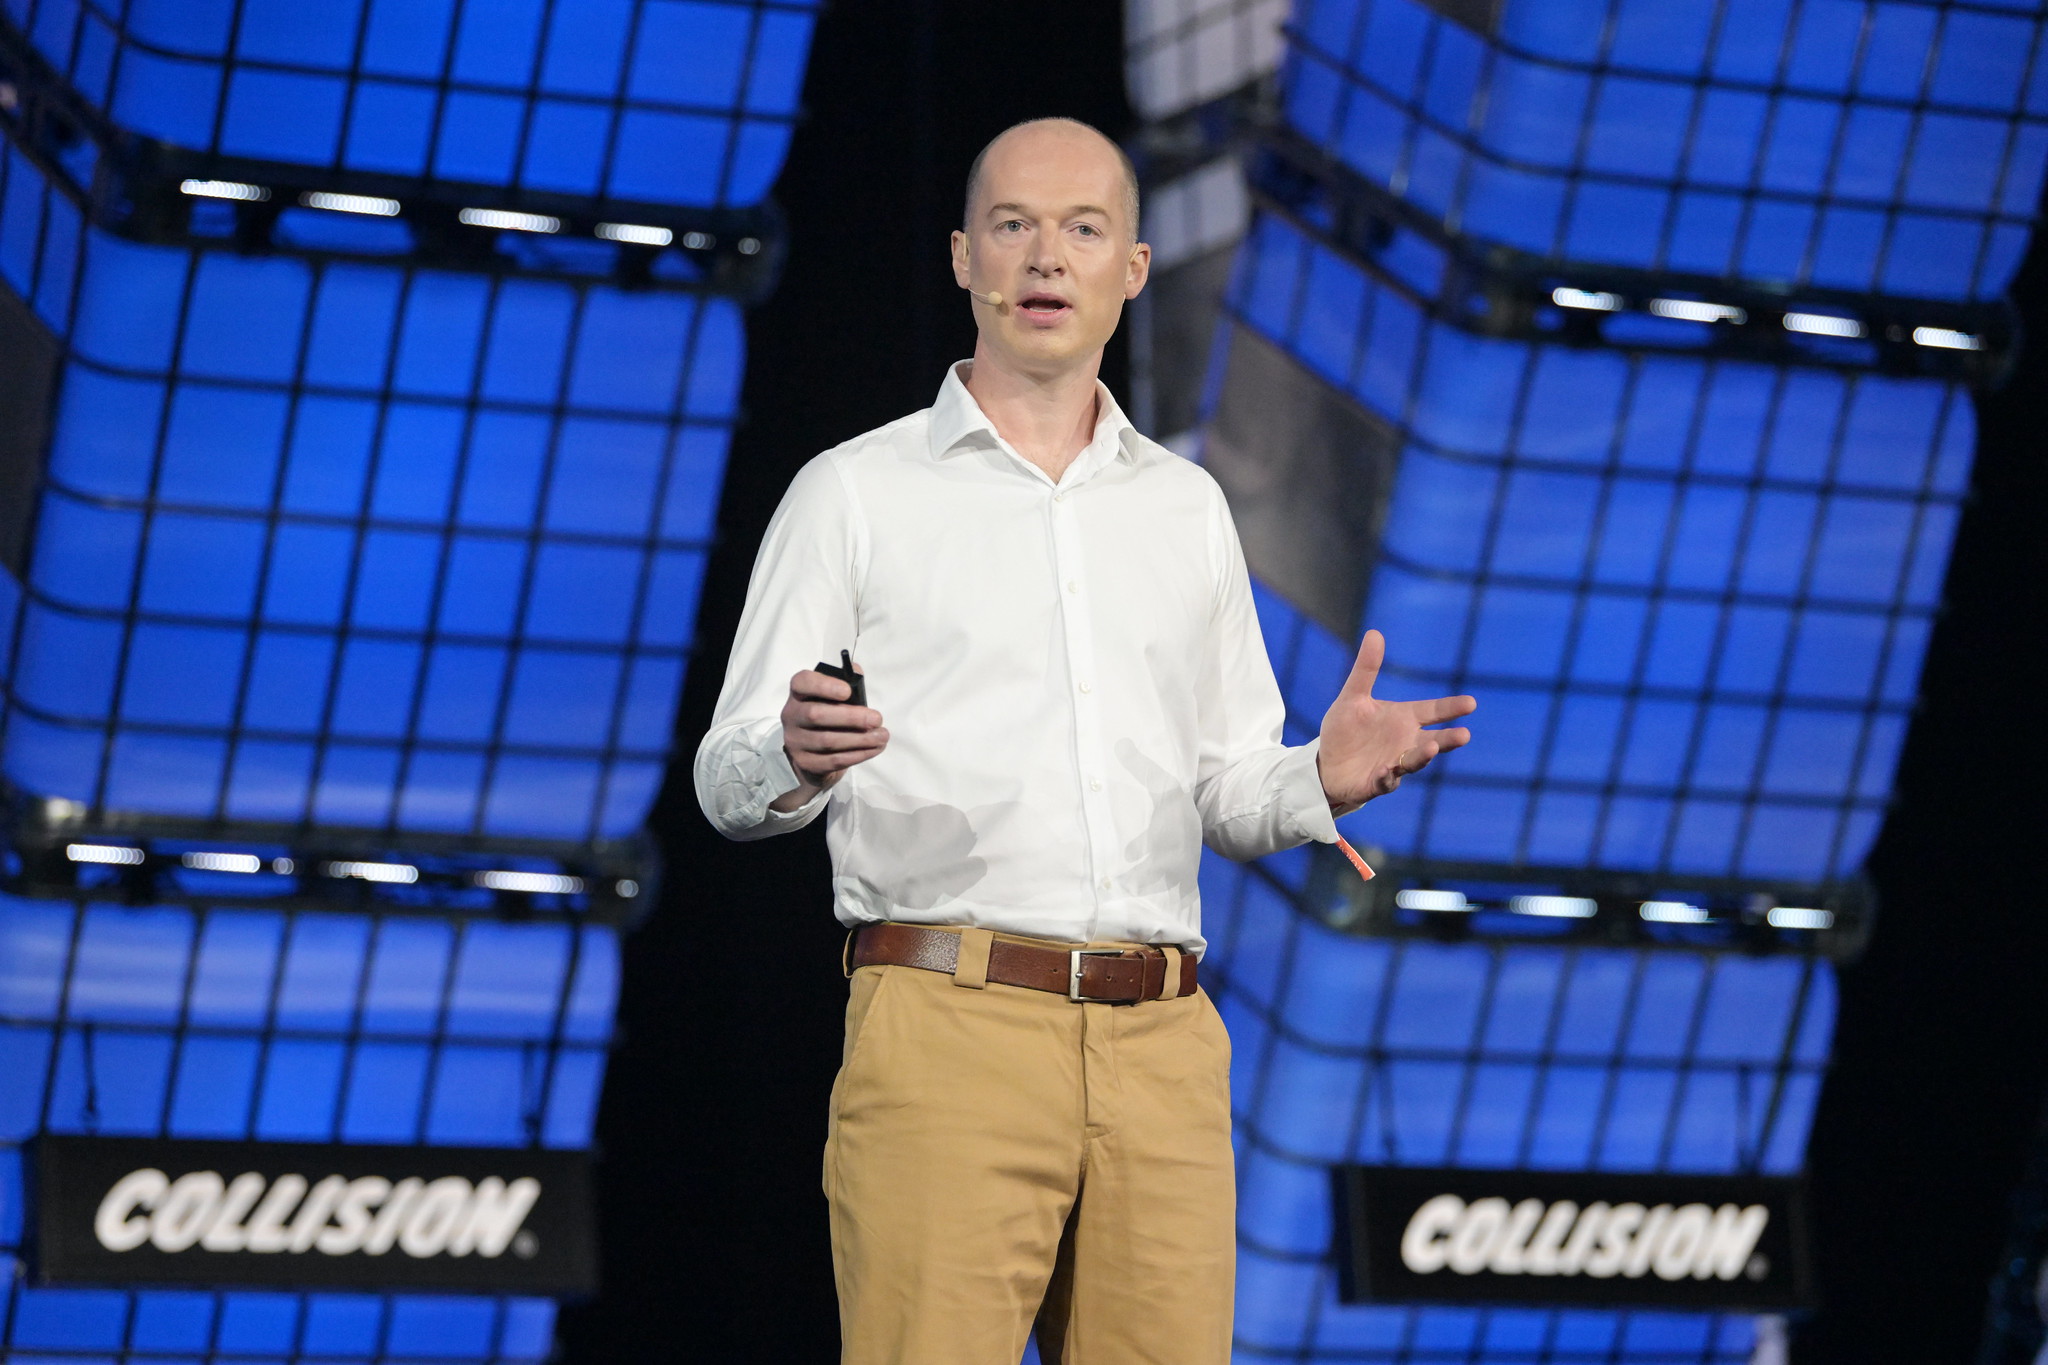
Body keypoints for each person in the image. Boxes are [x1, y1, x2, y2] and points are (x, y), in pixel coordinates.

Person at [695, 117, 1477, 1365]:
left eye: (1081, 228)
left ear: (1134, 268)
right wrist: (793, 750)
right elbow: (725, 779)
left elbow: (1226, 781)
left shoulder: (1184, 507)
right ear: (962, 258)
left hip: (1161, 1044)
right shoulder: (854, 492)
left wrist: (1311, 781)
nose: (1043, 257)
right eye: (1011, 225)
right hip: (948, 1022)